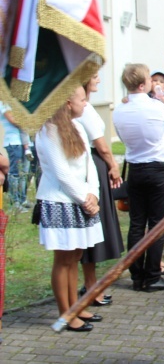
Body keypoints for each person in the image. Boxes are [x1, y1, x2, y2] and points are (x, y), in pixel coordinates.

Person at [36, 85, 104, 332]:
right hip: (59, 201)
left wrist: (93, 194)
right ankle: (65, 313)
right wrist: (84, 198)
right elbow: (60, 172)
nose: (86, 104)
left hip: (81, 199)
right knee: (63, 259)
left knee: (75, 257)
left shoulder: (78, 126)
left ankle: (76, 306)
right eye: (82, 99)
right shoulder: (48, 130)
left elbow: (90, 166)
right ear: (66, 102)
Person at [112, 64, 164, 292]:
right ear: (142, 84)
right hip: (158, 167)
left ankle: (137, 274)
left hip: (136, 169)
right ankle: (152, 276)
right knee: (157, 224)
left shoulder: (118, 111)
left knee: (137, 223)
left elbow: (121, 136)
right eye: (149, 79)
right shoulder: (158, 108)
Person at [77, 73, 125, 306]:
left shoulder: (85, 105)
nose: (98, 78)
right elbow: (102, 144)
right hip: (94, 165)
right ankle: (90, 285)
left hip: (93, 164)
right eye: (93, 75)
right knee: (94, 227)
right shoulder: (83, 108)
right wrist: (114, 165)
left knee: (96, 228)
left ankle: (90, 283)